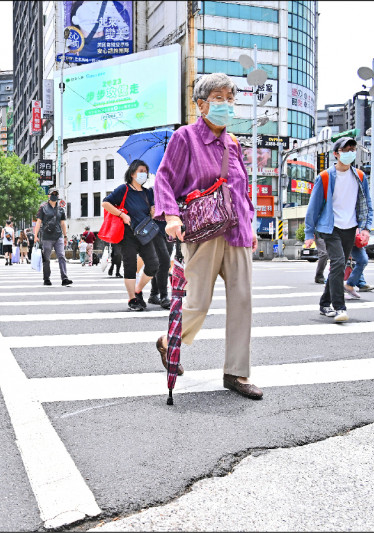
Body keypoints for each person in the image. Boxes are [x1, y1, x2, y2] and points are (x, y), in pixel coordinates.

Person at [153, 73, 260, 398]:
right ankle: (167, 340)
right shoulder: (185, 138)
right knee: (198, 303)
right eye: (219, 98)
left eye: (231, 98)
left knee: (242, 302)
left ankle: (236, 374)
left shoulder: (233, 143)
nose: (227, 104)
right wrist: (171, 216)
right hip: (204, 232)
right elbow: (164, 179)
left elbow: (241, 190)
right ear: (200, 104)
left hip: (238, 232)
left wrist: (251, 225)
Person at [303, 136, 374, 323]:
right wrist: (309, 233)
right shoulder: (325, 177)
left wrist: (366, 227)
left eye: (353, 149)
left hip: (350, 228)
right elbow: (314, 206)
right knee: (338, 262)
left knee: (338, 266)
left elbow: (367, 202)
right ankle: (339, 307)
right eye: (346, 150)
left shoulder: (359, 176)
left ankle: (324, 303)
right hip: (330, 227)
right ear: (336, 154)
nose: (350, 153)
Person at [103, 159, 168, 311]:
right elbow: (105, 203)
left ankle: (138, 290)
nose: (144, 174)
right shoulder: (123, 190)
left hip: (145, 234)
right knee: (130, 266)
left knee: (153, 264)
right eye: (141, 171)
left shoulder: (147, 193)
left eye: (145, 171)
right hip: (127, 234)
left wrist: (154, 212)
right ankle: (132, 299)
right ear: (132, 173)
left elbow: (151, 211)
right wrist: (121, 215)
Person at [34, 188, 73, 286]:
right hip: (47, 237)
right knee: (46, 258)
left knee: (61, 256)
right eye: (52, 194)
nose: (54, 195)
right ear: (48, 195)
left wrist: (65, 236)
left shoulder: (60, 209)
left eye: (56, 194)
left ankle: (64, 278)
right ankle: (46, 278)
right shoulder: (43, 207)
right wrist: (35, 235)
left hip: (58, 236)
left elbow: (63, 223)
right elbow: (38, 222)